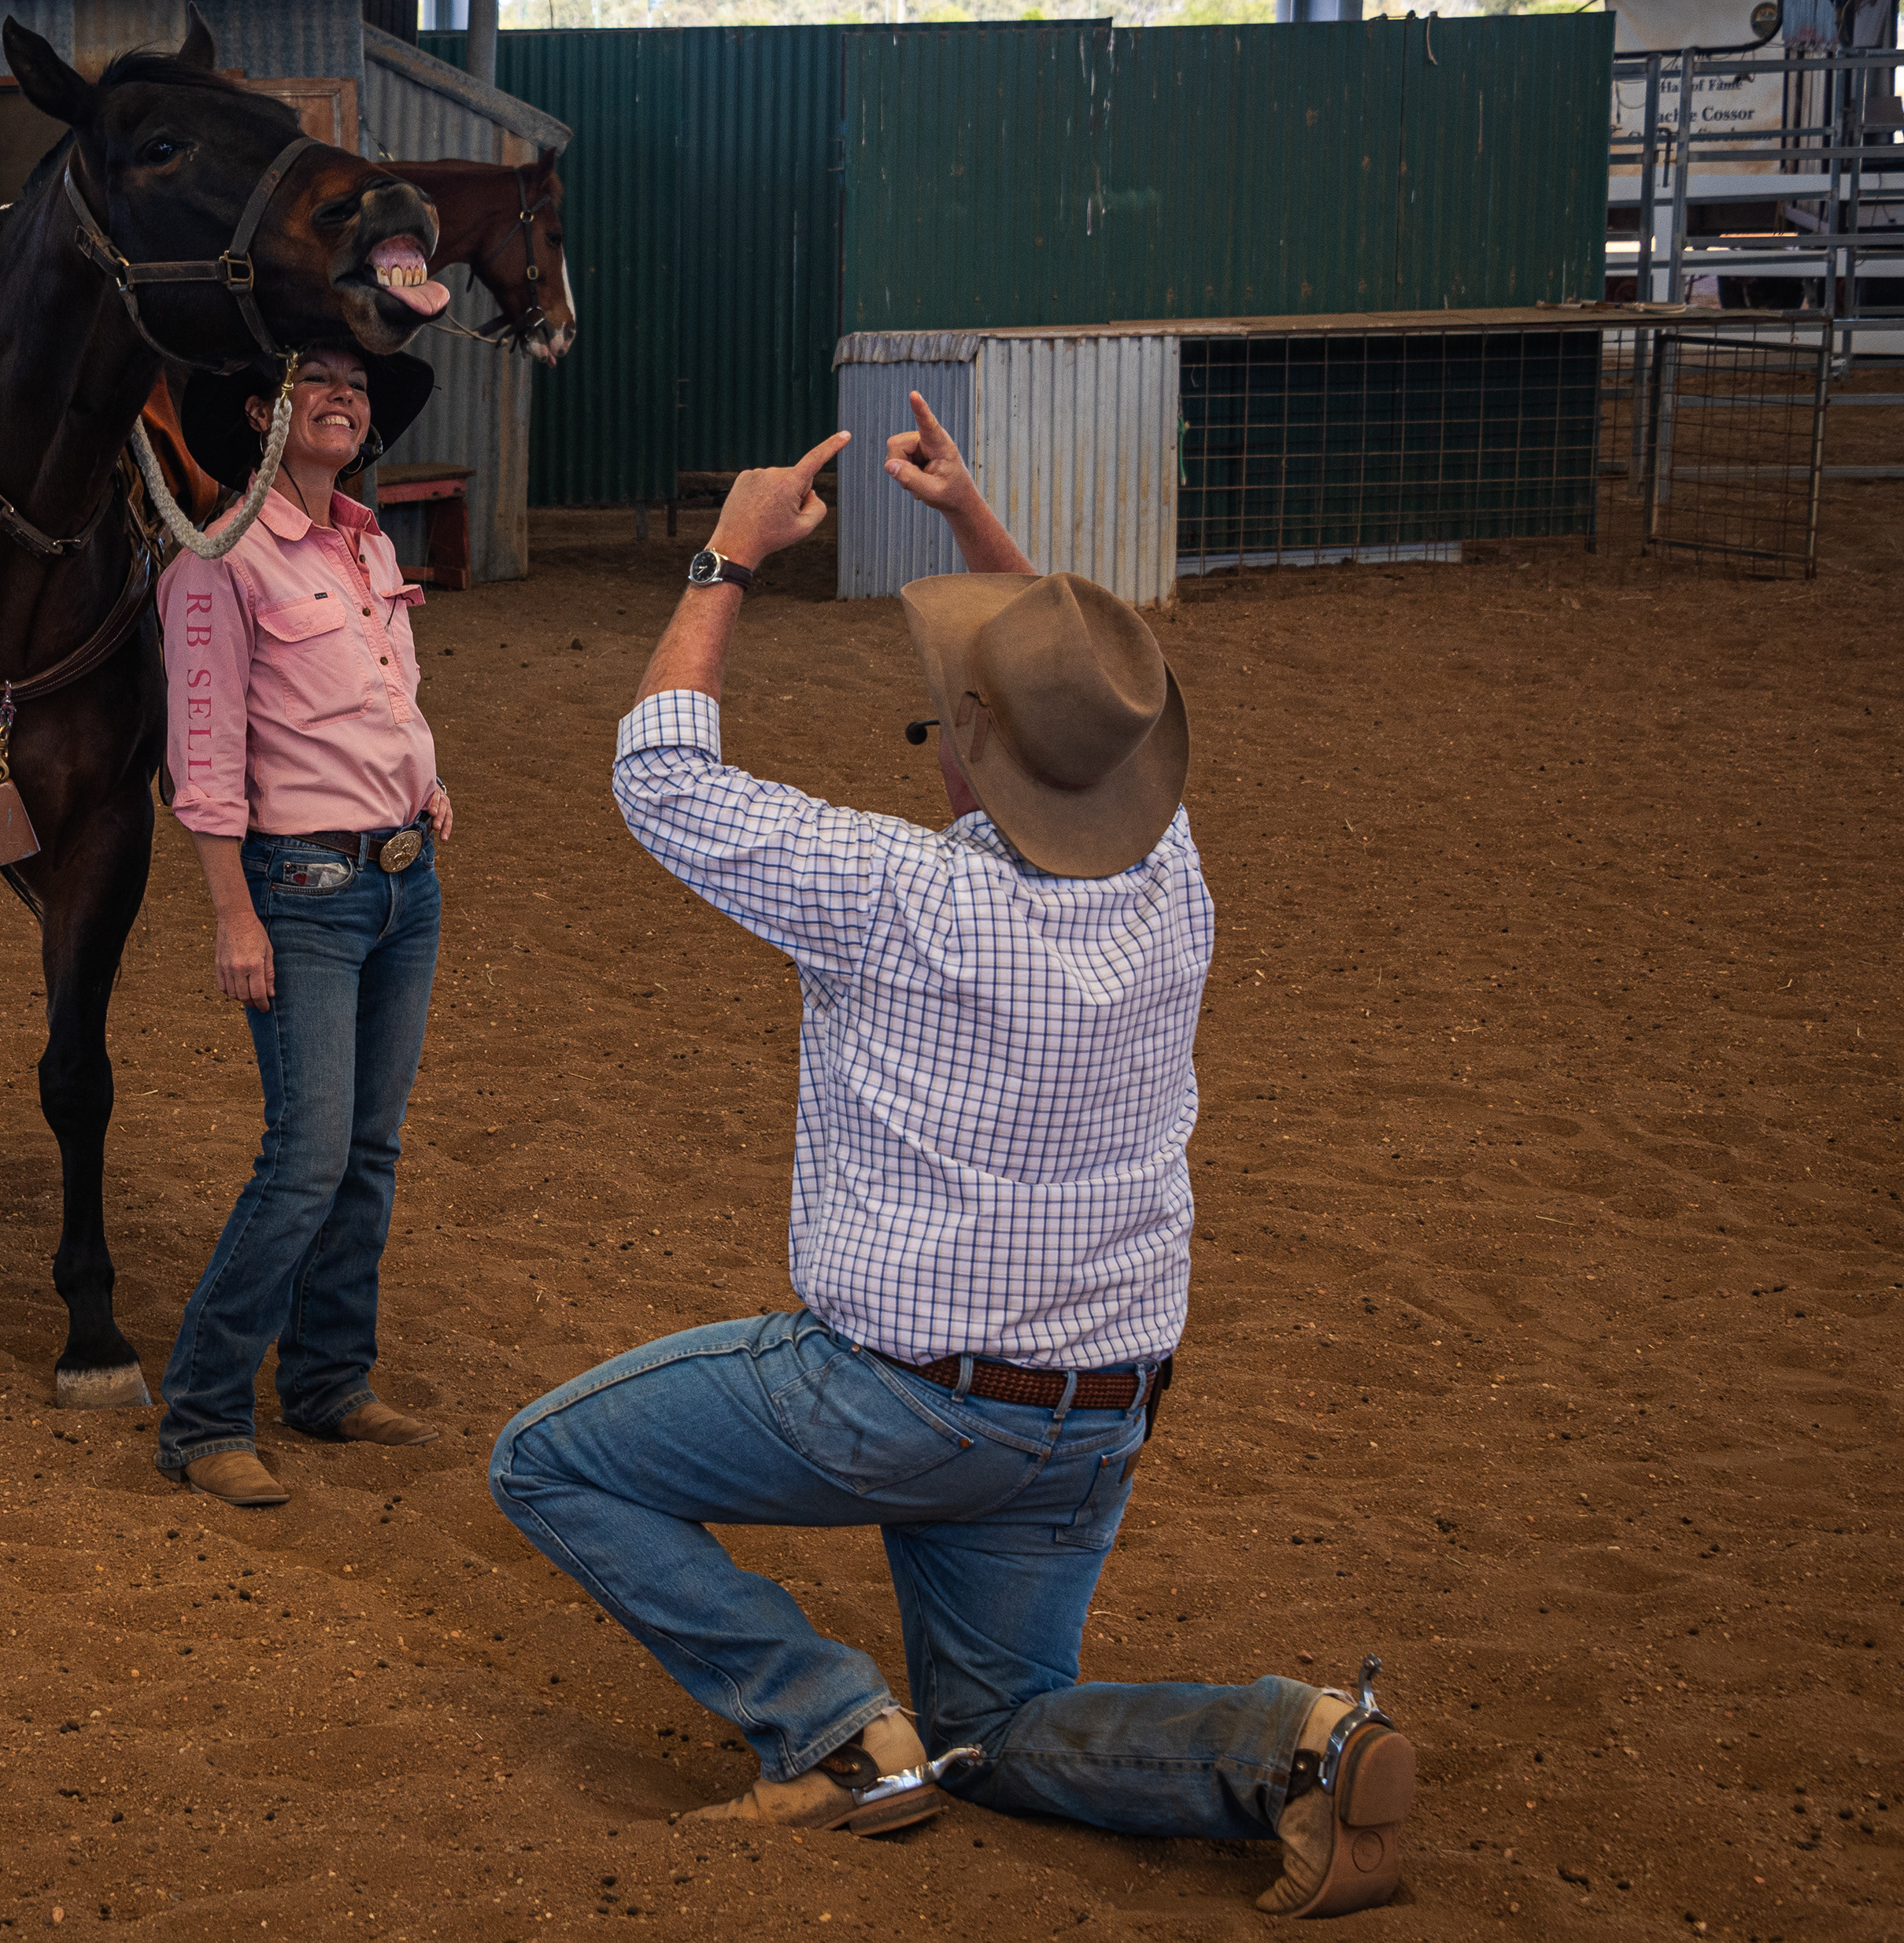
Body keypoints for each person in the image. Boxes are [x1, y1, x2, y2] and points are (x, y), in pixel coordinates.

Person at [486, 393, 1415, 1917]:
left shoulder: (895, 892)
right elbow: (1088, 695)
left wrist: (726, 561)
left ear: (967, 749)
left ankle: (829, 1729)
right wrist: (981, 527)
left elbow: (662, 776)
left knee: (549, 1459)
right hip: (1098, 1398)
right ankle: (1294, 1747)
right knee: (997, 1726)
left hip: (901, 1399)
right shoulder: (1172, 875)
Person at [151, 344, 457, 1509]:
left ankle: (328, 1381)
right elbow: (204, 755)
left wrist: (425, 782)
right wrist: (234, 915)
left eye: (357, 386)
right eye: (312, 379)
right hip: (302, 892)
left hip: (404, 880)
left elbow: (382, 692)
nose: (343, 398)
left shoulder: (368, 544)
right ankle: (204, 1414)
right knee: (308, 1157)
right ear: (258, 411)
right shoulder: (217, 563)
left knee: (368, 1151)